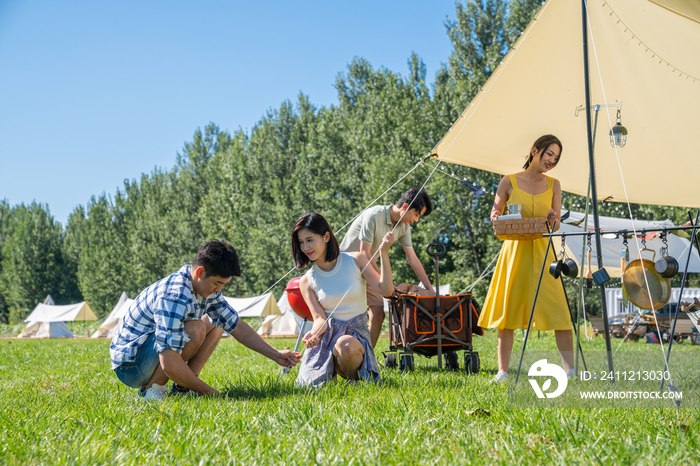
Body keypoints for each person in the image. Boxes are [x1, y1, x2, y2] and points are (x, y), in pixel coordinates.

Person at [110, 240, 301, 401]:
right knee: (196, 328)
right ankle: (151, 392)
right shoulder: (174, 295)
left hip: (145, 355)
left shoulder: (203, 288)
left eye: (223, 285)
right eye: (217, 283)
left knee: (218, 323)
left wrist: (276, 354)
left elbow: (237, 326)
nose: (219, 290)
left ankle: (182, 389)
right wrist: (213, 394)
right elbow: (169, 363)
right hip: (130, 365)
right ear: (200, 272)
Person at [479, 135, 574, 383]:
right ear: (535, 151)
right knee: (508, 311)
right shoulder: (508, 181)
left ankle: (571, 371)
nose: (552, 161)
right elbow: (496, 212)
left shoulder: (554, 184)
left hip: (545, 254)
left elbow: (554, 226)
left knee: (559, 309)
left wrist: (553, 217)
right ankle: (503, 372)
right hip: (515, 253)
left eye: (556, 158)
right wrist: (494, 215)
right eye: (549, 154)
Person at [292, 212, 394, 387]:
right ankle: (335, 376)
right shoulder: (307, 281)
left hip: (355, 340)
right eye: (301, 242)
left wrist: (384, 252)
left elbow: (386, 290)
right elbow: (319, 319)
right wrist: (313, 334)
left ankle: (355, 380)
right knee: (309, 387)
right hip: (327, 340)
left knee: (345, 344)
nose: (305, 247)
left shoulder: (355, 260)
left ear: (326, 237)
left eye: (310, 240)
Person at [340, 186, 434, 348]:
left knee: (377, 314)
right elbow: (364, 253)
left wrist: (429, 289)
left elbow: (412, 259)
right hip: (347, 267)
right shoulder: (374, 215)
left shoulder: (404, 227)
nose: (416, 220)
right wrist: (387, 283)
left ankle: (366, 357)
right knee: (351, 316)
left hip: (368, 267)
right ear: (405, 207)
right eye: (417, 215)